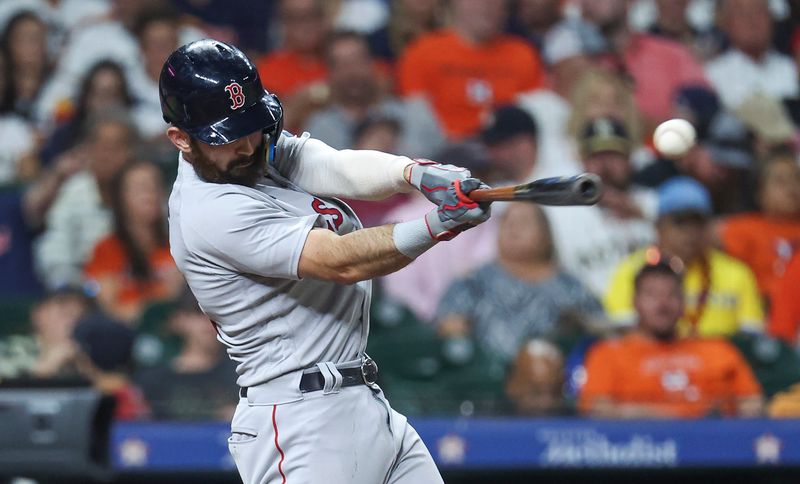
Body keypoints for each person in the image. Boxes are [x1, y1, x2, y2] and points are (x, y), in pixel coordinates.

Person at [161, 40, 492, 483]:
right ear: (180, 138)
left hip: (362, 401)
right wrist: (435, 225)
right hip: (301, 422)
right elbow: (339, 262)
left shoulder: (249, 153)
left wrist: (414, 173)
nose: (245, 145)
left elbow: (333, 167)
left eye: (250, 127)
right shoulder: (208, 210)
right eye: (226, 136)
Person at [580, 262, 764, 418]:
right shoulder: (608, 353)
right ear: (635, 302)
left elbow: (752, 403)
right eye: (652, 295)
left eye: (672, 295)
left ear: (684, 302)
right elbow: (597, 409)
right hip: (642, 448)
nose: (663, 304)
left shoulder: (717, 349)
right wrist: (660, 416)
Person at [435, 203, 604, 366]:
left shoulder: (569, 285)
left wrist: (576, 324)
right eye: (507, 222)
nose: (513, 229)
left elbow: (599, 328)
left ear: (546, 234)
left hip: (555, 379)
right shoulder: (473, 282)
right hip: (488, 378)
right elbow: (449, 328)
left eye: (523, 223)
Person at [605, 177, 764, 336]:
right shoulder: (633, 271)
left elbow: (751, 337)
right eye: (680, 222)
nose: (690, 232)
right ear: (659, 226)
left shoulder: (736, 273)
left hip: (719, 358)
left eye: (698, 222)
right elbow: (623, 333)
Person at [397, 0, 544, 138]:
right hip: (442, 152)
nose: (487, 6)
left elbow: (535, 114)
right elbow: (417, 120)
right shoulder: (422, 53)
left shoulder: (523, 55)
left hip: (505, 149)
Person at [544, 117, 656, 296]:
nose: (605, 165)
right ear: (582, 162)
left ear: (629, 160)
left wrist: (641, 214)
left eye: (613, 154)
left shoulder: (654, 203)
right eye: (596, 156)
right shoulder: (561, 215)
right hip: (590, 317)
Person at [302, 31, 444, 159]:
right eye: (341, 64)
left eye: (358, 60)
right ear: (329, 74)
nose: (351, 72)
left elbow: (447, 168)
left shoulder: (414, 115)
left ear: (372, 64)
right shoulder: (319, 131)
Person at [83, 160, 183, 323]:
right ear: (121, 197)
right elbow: (111, 312)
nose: (150, 194)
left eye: (155, 186)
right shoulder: (106, 249)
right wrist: (163, 297)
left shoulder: (179, 245)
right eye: (141, 188)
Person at [137, 289, 238, 420]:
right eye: (199, 313)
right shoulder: (152, 381)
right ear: (178, 320)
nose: (210, 324)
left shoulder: (241, 374)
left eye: (219, 314)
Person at [719, 150, 800, 300]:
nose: (792, 188)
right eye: (780, 181)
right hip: (759, 310)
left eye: (797, 179)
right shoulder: (742, 229)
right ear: (760, 192)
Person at [705, 0, 798, 110]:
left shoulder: (792, 69)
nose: (752, 21)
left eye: (758, 13)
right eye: (742, 15)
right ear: (727, 23)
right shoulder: (712, 75)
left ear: (771, 18)